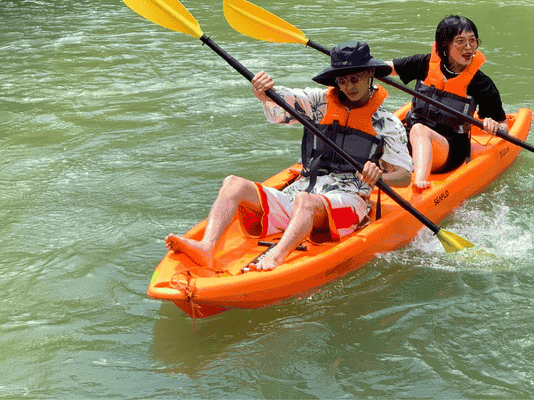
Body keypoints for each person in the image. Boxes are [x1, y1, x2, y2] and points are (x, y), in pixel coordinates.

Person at [166, 41, 413, 272]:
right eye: (342, 80)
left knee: (306, 201)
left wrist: (379, 177)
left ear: (370, 75)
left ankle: (276, 257)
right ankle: (208, 247)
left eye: (355, 78)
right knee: (233, 184)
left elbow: (403, 177)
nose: (348, 86)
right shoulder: (318, 103)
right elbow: (277, 105)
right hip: (297, 198)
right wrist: (263, 91)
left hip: (347, 202)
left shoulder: (387, 124)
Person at [387, 15, 507, 191]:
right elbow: (383, 68)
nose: (468, 48)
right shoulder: (424, 63)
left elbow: (504, 126)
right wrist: (354, 74)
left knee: (420, 130)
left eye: (472, 41)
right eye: (460, 41)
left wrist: (494, 126)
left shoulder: (481, 83)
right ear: (445, 45)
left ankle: (419, 182)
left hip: (450, 150)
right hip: (410, 139)